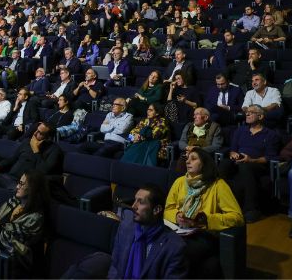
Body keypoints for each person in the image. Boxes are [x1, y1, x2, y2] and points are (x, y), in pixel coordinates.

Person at [165, 148, 244, 278]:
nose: (188, 161)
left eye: (194, 158)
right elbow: (168, 209)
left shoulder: (218, 185)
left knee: (177, 252)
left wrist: (205, 220)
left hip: (204, 234)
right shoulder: (179, 182)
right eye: (187, 158)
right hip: (179, 229)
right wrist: (176, 215)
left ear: (204, 163)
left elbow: (237, 217)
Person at [107, 183, 187, 279]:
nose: (133, 206)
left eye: (140, 202)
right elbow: (115, 266)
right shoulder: (126, 227)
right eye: (135, 200)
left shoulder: (175, 247)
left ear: (156, 209)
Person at [217, 105, 281, 223]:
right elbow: (232, 149)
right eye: (247, 112)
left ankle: (251, 209)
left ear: (260, 116)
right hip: (238, 159)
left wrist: (251, 160)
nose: (247, 114)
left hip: (256, 164)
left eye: (251, 112)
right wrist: (233, 154)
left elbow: (269, 157)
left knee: (245, 167)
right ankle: (219, 202)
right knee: (224, 164)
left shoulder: (270, 134)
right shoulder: (240, 130)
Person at [0, 122, 62, 190]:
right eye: (36, 130)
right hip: (7, 177)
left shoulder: (54, 150)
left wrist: (36, 151)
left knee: (17, 193)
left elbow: (43, 172)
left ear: (48, 138)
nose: (34, 133)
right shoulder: (27, 142)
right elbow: (12, 159)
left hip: (24, 185)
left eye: (40, 133)